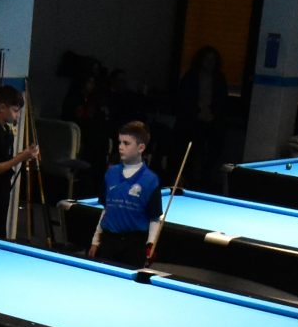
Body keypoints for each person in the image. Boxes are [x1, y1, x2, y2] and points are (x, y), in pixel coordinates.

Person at [87, 122, 160, 270]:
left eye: (126, 143)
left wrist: (150, 244)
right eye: (119, 142)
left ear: (141, 148)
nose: (120, 147)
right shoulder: (110, 173)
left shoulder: (151, 180)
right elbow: (106, 210)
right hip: (109, 240)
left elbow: (154, 218)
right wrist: (95, 241)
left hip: (134, 245)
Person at [0, 85, 41, 238]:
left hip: (2, 190)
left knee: (0, 233)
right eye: (15, 110)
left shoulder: (6, 131)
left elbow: (6, 160)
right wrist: (22, 157)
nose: (17, 115)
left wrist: (26, 154)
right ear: (2, 107)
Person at [172, 46, 229, 180]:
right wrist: (195, 112)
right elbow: (184, 99)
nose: (210, 63)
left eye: (212, 60)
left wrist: (214, 114)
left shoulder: (219, 79)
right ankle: (191, 177)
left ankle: (205, 176)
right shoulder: (191, 77)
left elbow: (222, 100)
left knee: (213, 150)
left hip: (212, 120)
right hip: (193, 120)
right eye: (207, 59)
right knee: (192, 152)